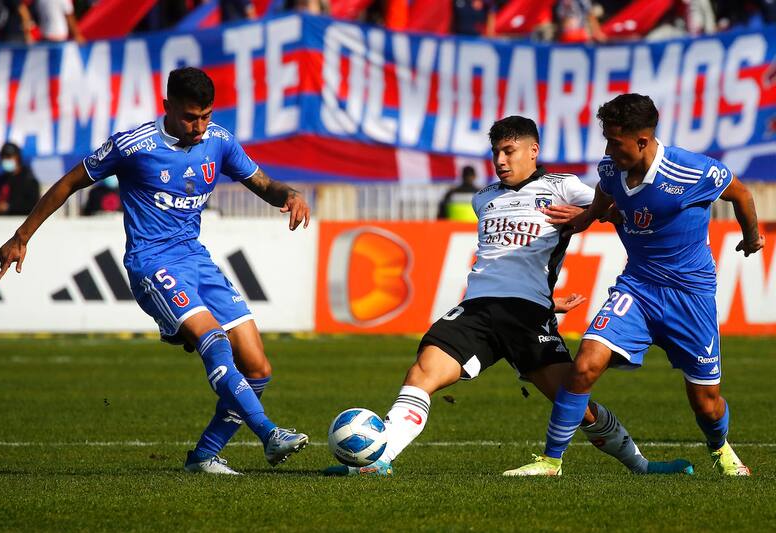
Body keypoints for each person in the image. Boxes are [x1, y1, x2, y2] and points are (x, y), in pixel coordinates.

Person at [325, 116, 692, 477]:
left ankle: (640, 465)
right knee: (422, 373)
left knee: (574, 403)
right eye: (496, 153)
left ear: (533, 150)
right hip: (477, 309)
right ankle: (378, 459)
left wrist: (584, 214)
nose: (500, 161)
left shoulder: (563, 186)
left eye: (509, 151)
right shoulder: (483, 198)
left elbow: (623, 210)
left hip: (527, 315)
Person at [0, 67, 312, 475]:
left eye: (206, 116)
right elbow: (68, 183)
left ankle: (203, 457)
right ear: (168, 107)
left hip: (196, 259)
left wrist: (291, 194)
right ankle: (269, 434)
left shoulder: (218, 140)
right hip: (152, 262)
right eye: (190, 117)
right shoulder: (133, 145)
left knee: (258, 367)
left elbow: (264, 185)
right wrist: (22, 236)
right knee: (212, 339)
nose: (199, 127)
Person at [507, 94, 764, 477]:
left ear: (642, 141)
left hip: (690, 297)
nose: (608, 150)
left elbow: (740, 193)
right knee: (584, 366)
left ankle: (719, 446)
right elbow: (605, 193)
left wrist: (753, 237)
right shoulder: (612, 168)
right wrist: (587, 217)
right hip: (638, 289)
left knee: (706, 404)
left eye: (615, 141)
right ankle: (551, 461)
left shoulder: (691, 171)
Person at [0, 142, 40, 216]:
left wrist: (9, 207)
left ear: (18, 157)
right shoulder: (1, 180)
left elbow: (33, 206)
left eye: (8, 157)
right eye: (3, 157)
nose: (5, 160)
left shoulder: (30, 180)